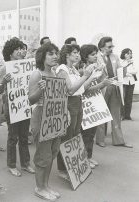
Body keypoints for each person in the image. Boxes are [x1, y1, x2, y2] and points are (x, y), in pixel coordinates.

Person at [55, 44, 98, 180]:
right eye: (74, 52)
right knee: (67, 136)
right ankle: (62, 169)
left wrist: (92, 76)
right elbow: (70, 90)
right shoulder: (62, 69)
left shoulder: (72, 68)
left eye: (78, 52)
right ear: (67, 55)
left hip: (78, 102)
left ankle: (73, 166)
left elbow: (81, 88)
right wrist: (85, 75)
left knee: (75, 134)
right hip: (69, 103)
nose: (78, 55)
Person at [28, 43, 61, 201]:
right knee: (43, 154)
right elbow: (30, 100)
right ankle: (39, 188)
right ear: (42, 56)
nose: (55, 56)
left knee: (52, 152)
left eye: (56, 53)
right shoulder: (37, 74)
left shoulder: (54, 72)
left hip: (55, 116)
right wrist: (40, 89)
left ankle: (46, 185)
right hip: (41, 115)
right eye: (50, 54)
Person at [0, 37, 35, 177]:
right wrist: (3, 81)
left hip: (25, 105)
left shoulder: (27, 66)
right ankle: (12, 164)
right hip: (11, 106)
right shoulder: (5, 68)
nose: (21, 51)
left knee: (24, 136)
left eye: (22, 48)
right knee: (13, 137)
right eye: (17, 49)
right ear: (10, 53)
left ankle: (25, 163)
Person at [95, 37, 133, 148]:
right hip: (102, 88)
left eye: (112, 46)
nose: (112, 48)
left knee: (116, 114)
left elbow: (120, 71)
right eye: (109, 46)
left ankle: (119, 140)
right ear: (102, 47)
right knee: (101, 115)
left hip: (115, 87)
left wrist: (125, 69)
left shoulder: (115, 57)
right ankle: (100, 140)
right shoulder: (96, 57)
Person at [79, 44, 112, 169]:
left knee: (91, 133)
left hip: (95, 103)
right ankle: (84, 158)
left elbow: (99, 83)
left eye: (96, 54)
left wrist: (103, 78)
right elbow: (84, 90)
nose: (95, 56)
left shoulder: (96, 67)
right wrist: (102, 84)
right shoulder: (83, 70)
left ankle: (89, 156)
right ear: (85, 56)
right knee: (86, 134)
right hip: (85, 105)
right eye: (93, 54)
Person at [121, 48, 137, 120]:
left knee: (129, 99)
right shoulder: (122, 63)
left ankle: (128, 115)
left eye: (130, 53)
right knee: (123, 99)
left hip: (131, 82)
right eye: (128, 53)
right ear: (124, 54)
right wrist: (127, 73)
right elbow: (120, 72)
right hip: (124, 82)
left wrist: (128, 73)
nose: (129, 55)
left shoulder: (133, 62)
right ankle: (122, 115)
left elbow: (135, 71)